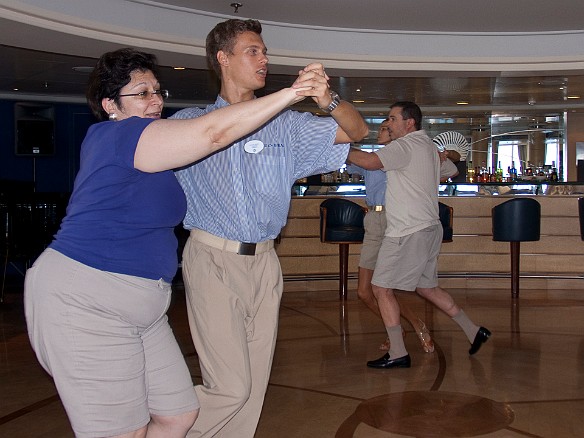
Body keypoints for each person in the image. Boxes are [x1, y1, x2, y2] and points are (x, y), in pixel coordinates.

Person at [23, 47, 315, 438]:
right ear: (110, 105)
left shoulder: (155, 152)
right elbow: (212, 133)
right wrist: (292, 93)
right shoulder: (113, 136)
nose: (156, 100)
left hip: (144, 308)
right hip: (86, 301)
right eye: (141, 93)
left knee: (178, 416)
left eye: (157, 91)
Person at [172, 19, 368, 438]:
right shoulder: (191, 123)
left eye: (264, 51)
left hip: (264, 262)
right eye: (253, 51)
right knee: (230, 387)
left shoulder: (288, 126)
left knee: (254, 387)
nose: (264, 59)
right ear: (223, 59)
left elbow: (358, 130)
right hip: (212, 259)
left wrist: (327, 98)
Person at [346, 101, 491, 369]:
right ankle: (473, 331)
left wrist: (339, 147)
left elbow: (369, 161)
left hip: (407, 230)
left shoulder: (405, 145)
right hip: (429, 228)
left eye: (392, 118)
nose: (387, 123)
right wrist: (444, 157)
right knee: (427, 288)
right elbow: (451, 170)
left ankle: (398, 352)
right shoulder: (427, 147)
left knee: (380, 288)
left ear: (409, 122)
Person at [346, 119, 435, 354]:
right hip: (374, 221)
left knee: (386, 288)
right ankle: (405, 327)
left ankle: (408, 328)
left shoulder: (407, 153)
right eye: (383, 127)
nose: (382, 131)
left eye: (387, 127)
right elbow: (348, 162)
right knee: (364, 292)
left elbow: (449, 163)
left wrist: (448, 155)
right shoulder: (371, 159)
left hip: (397, 220)